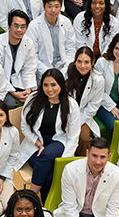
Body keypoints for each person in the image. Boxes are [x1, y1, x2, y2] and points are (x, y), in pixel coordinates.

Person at [20, 69, 82, 201]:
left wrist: (62, 161)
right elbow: (24, 126)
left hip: (58, 143)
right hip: (35, 144)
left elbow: (73, 137)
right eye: (45, 85)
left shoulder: (71, 104)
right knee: (48, 175)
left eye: (53, 85)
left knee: (47, 155)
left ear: (60, 84)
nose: (49, 89)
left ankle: (30, 198)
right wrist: (38, 143)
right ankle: (45, 208)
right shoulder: (33, 99)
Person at [0, 10, 40, 108]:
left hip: (18, 81)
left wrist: (29, 89)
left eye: (23, 26)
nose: (19, 29)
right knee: (10, 105)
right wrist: (14, 93)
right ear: (9, 26)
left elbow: (29, 68)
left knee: (38, 101)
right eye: (16, 25)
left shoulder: (28, 42)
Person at [66, 46, 107, 152]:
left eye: (86, 62)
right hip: (65, 113)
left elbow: (94, 106)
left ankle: (80, 163)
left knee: (83, 138)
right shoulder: (66, 73)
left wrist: (76, 122)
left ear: (92, 62)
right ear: (75, 61)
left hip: (83, 115)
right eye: (79, 61)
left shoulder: (98, 79)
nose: (82, 66)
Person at [30, 0, 77, 77]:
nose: (53, 10)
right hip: (42, 69)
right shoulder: (34, 26)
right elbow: (33, 55)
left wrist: (65, 69)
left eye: (56, 6)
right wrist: (47, 72)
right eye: (49, 6)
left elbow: (70, 49)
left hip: (63, 67)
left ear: (61, 7)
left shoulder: (66, 22)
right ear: (43, 6)